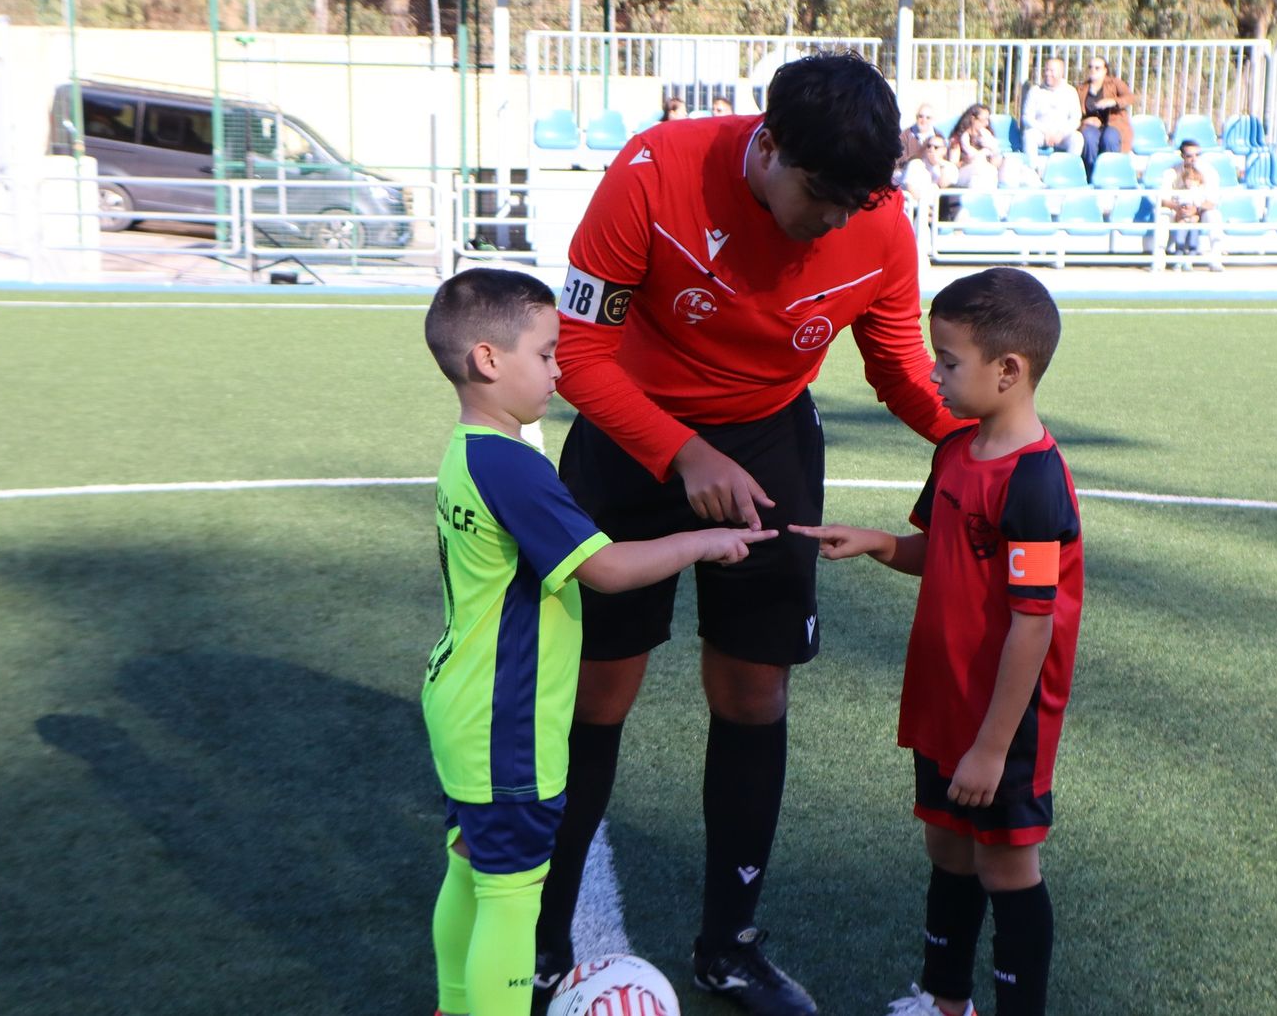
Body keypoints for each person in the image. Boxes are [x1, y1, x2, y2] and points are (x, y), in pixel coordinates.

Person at [537, 53, 961, 1016]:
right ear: (766, 145)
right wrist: (682, 455)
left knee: (753, 690)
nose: (836, 221)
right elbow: (581, 355)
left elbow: (896, 363)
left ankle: (730, 948)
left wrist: (984, 444)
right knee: (599, 694)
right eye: (820, 195)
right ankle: (546, 941)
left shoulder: (879, 225)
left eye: (859, 202)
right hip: (629, 439)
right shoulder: (653, 172)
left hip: (771, 443)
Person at [421, 267, 775, 1016]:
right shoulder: (511, 466)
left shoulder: (466, 450)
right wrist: (701, 540)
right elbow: (608, 569)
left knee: (469, 868)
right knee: (514, 897)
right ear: (489, 360)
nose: (559, 372)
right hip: (505, 719)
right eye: (546, 355)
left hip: (462, 703)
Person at [790, 267, 1083, 1016]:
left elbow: (1032, 620)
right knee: (948, 849)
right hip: (943, 697)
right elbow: (944, 550)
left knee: (1005, 863)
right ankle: (945, 1002)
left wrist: (992, 746)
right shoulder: (956, 451)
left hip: (1000, 718)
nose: (932, 372)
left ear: (1009, 371)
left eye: (948, 361)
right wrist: (880, 543)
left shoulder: (1035, 483)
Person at [1159, 140, 1224, 270]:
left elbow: (1212, 202)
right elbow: (1163, 199)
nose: (1194, 159)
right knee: (1162, 216)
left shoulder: (1209, 172)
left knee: (1214, 216)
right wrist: (1178, 209)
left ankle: (1215, 260)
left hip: (1200, 211)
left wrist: (1196, 210)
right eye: (1189, 155)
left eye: (1197, 155)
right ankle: (1159, 260)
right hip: (1178, 210)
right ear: (1182, 156)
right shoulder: (1171, 172)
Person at [1075, 55, 1134, 178]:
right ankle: (1090, 176)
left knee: (1110, 138)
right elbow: (1075, 112)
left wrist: (1113, 101)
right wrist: (1085, 121)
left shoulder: (1114, 83)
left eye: (1097, 68)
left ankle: (1110, 175)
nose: (1093, 70)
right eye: (1090, 67)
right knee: (1088, 138)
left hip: (1113, 124)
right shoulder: (1082, 88)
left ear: (1105, 70)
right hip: (1091, 126)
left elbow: (1131, 97)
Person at [1019, 58, 1083, 164]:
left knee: (1077, 138)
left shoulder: (1070, 92)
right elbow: (1026, 117)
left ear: (1061, 72)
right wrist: (1045, 131)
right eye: (1046, 70)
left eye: (1052, 71)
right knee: (1029, 136)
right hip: (1041, 133)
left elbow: (1076, 119)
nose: (1048, 73)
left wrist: (1061, 134)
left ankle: (1069, 170)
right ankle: (1032, 171)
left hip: (1062, 135)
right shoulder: (1035, 91)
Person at [897, 103, 941, 178]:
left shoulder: (938, 136)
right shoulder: (905, 135)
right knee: (916, 164)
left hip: (932, 172)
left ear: (933, 119)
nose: (924, 120)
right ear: (916, 118)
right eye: (920, 116)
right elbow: (898, 160)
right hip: (909, 173)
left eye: (928, 118)